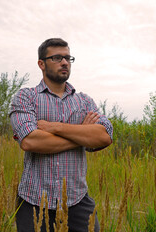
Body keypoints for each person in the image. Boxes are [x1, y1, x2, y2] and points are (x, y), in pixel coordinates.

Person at [9, 38, 113, 232]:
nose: (64, 62)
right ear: (41, 63)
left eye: (67, 58)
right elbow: (30, 141)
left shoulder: (84, 102)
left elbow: (104, 136)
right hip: (33, 201)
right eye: (57, 58)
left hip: (78, 202)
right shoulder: (26, 97)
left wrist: (56, 127)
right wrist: (81, 134)